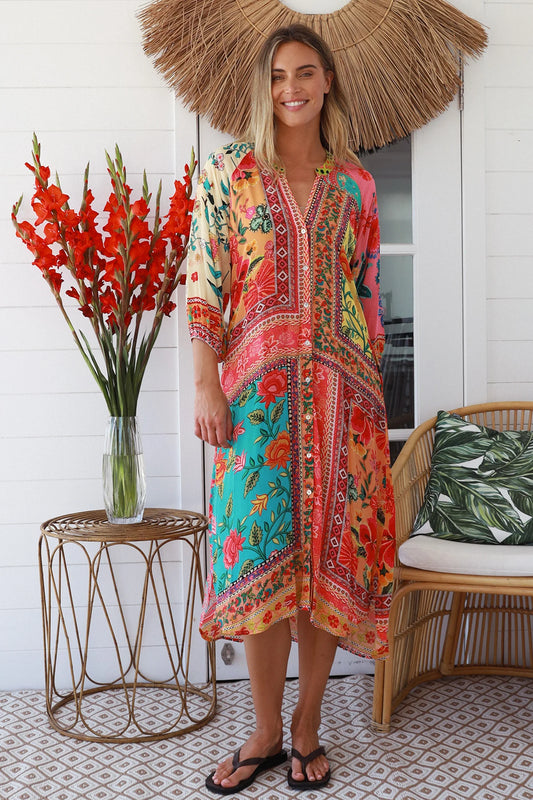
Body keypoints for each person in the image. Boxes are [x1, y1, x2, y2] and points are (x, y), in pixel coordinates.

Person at [186, 23, 395, 794]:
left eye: (305, 73)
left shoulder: (355, 185)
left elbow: (367, 295)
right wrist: (206, 384)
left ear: (327, 81)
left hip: (346, 403)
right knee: (261, 567)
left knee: (325, 568)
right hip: (255, 406)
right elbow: (206, 286)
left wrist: (372, 393)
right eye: (277, 76)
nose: (291, 88)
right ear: (262, 86)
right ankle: (266, 732)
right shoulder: (227, 174)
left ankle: (308, 729)